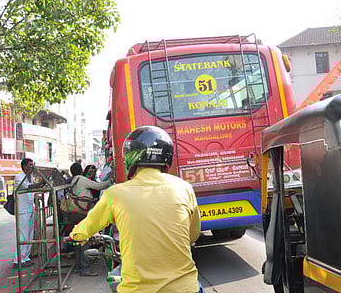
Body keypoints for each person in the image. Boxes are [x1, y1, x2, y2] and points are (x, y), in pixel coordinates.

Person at [70, 126, 202, 293]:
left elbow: (85, 228)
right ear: (167, 158)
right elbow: (193, 234)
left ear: (130, 158)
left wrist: (76, 235)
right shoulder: (184, 188)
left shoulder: (115, 194)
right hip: (185, 288)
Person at [13, 158, 44, 268]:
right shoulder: (19, 177)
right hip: (22, 210)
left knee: (30, 234)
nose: (32, 167)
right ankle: (18, 259)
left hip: (30, 208)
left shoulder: (30, 177)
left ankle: (26, 257)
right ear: (24, 166)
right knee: (23, 234)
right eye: (30, 165)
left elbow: (32, 191)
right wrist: (39, 184)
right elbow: (27, 187)